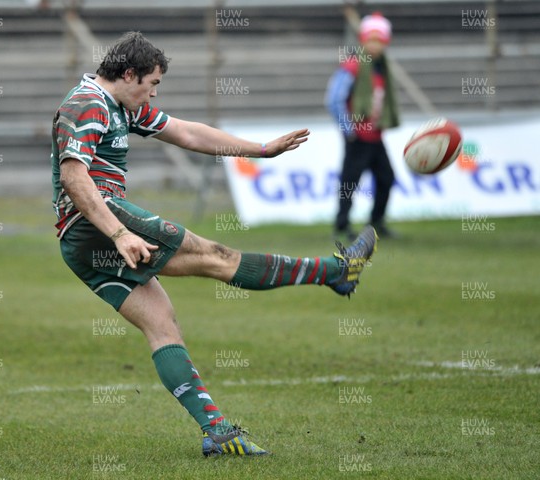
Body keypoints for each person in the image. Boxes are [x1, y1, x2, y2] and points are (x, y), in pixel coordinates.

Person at [51, 31, 377, 457]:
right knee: (217, 258)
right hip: (97, 222)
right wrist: (120, 233)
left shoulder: (119, 105)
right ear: (128, 74)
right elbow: (76, 178)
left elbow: (187, 133)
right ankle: (335, 272)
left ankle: (217, 432)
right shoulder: (88, 104)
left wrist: (259, 150)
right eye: (152, 84)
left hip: (77, 241)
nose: (153, 93)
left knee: (161, 322)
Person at [325, 12, 400, 240]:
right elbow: (334, 99)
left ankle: (376, 222)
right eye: (371, 39)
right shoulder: (353, 66)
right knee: (350, 182)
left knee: (387, 178)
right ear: (362, 40)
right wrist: (349, 130)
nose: (375, 45)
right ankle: (342, 224)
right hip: (357, 137)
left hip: (376, 137)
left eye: (379, 40)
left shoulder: (382, 67)